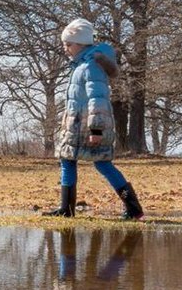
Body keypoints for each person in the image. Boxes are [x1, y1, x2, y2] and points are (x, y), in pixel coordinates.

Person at [45, 19, 144, 220]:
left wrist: (96, 130)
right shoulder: (80, 65)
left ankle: (133, 208)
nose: (65, 48)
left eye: (69, 44)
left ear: (81, 44)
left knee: (103, 164)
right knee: (67, 159)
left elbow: (97, 100)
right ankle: (66, 208)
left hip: (89, 128)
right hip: (75, 127)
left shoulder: (90, 66)